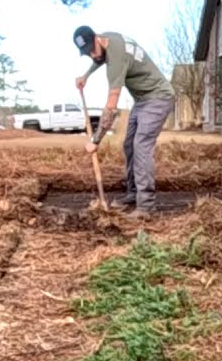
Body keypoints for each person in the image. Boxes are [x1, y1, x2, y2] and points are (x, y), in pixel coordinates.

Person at [73, 25, 175, 217]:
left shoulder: (116, 61)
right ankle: (134, 193)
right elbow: (99, 58)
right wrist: (86, 75)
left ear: (97, 39)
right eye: (86, 53)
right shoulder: (109, 40)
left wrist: (96, 140)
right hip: (143, 99)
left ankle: (146, 206)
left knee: (141, 145)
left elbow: (111, 108)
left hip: (158, 98)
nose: (92, 56)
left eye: (91, 50)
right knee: (129, 145)